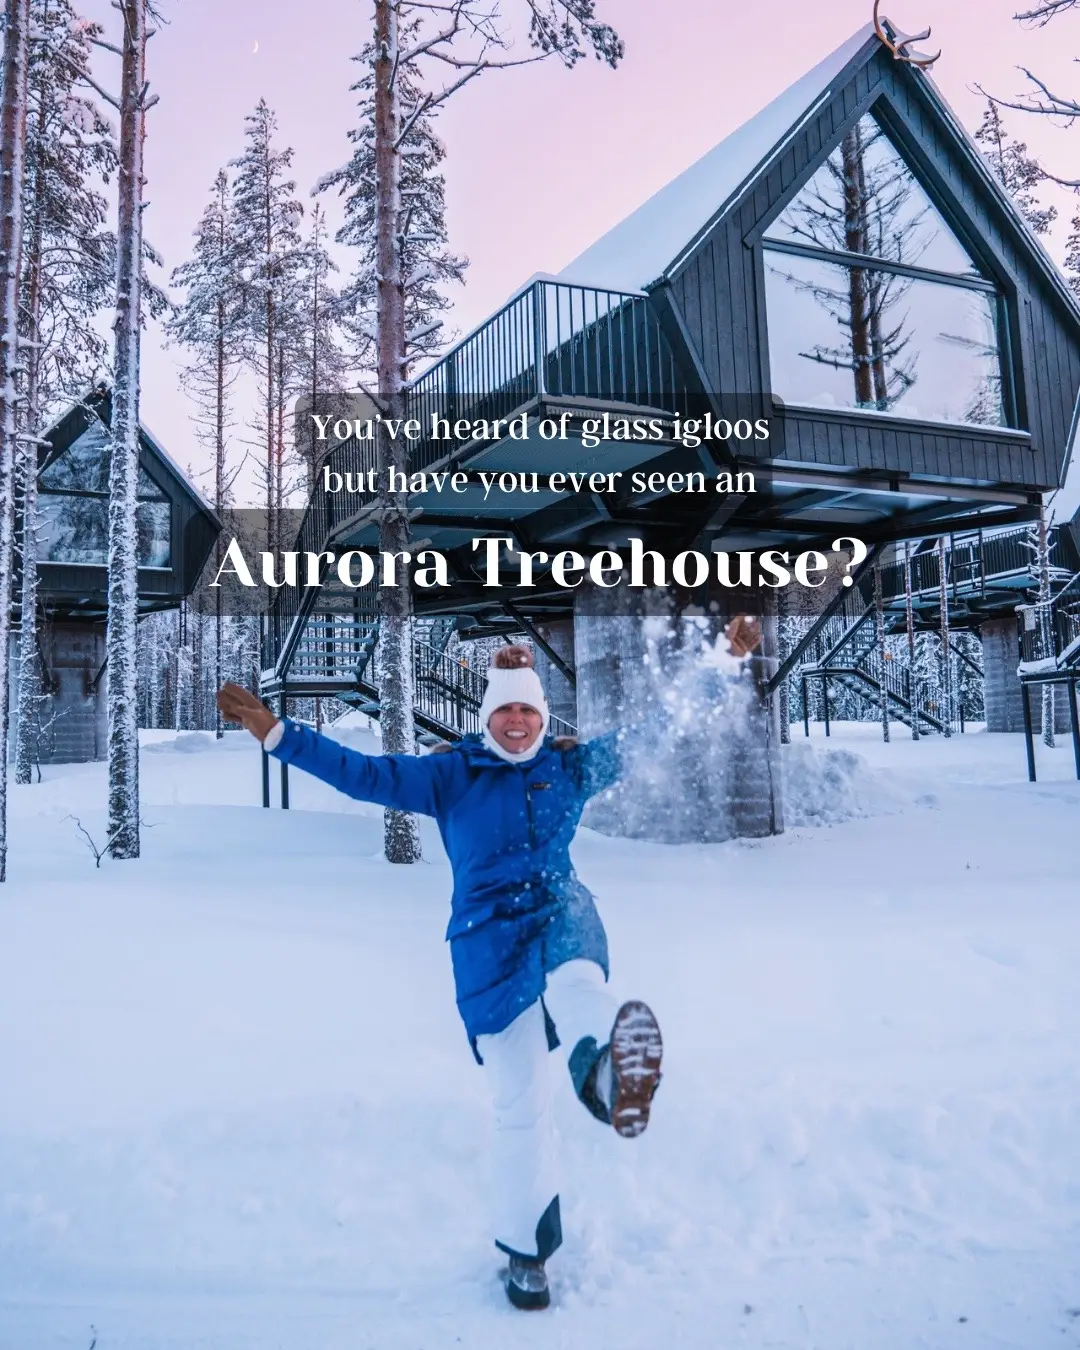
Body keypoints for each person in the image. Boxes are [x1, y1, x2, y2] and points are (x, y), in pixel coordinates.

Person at [217, 617, 760, 1311]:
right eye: (504, 709)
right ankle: (526, 1254)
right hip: (486, 952)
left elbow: (652, 734)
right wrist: (278, 735)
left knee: (574, 947)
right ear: (485, 717)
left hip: (557, 920)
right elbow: (366, 775)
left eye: (527, 710)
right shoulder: (451, 776)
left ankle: (605, 1073)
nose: (516, 721)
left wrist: (719, 664)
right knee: (519, 1109)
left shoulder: (569, 768)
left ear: (541, 716)